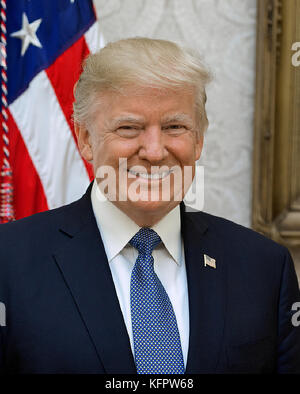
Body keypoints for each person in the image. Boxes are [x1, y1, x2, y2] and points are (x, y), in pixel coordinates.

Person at [0, 37, 299, 374]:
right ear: (85, 139)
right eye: (129, 128)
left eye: (175, 127)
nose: (155, 152)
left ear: (198, 139)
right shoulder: (8, 263)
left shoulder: (264, 268)